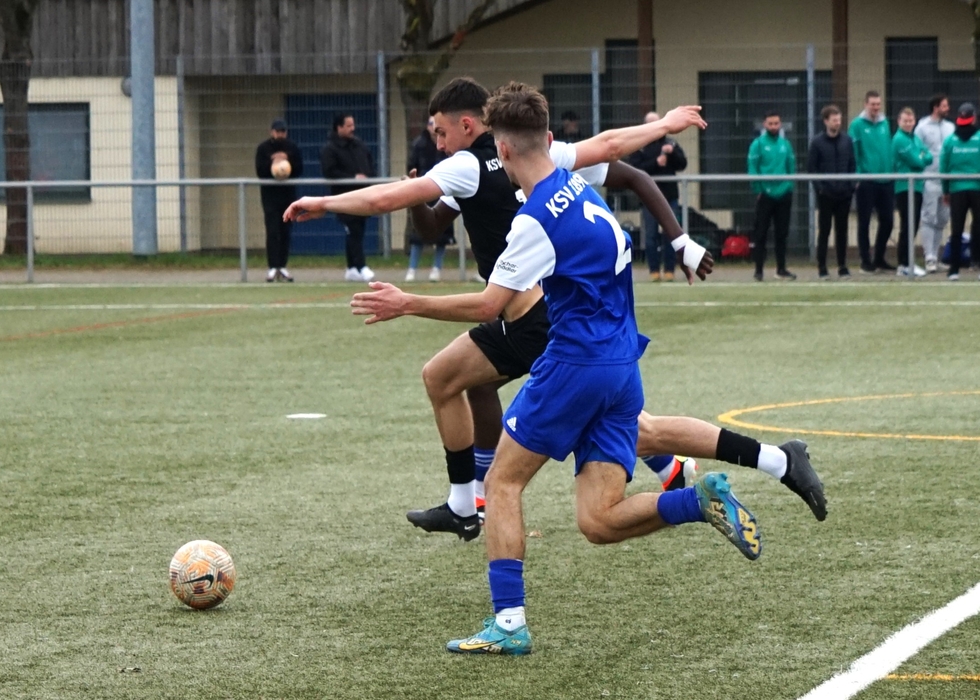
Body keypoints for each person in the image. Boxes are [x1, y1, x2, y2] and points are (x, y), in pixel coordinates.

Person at [284, 78, 826, 538]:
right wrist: (664, 125)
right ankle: (465, 503)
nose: (437, 142)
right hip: (535, 314)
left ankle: (752, 462)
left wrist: (324, 202)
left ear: (473, 128)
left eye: (440, 131)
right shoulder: (544, 158)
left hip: (538, 316)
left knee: (630, 432)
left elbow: (385, 200)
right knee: (448, 376)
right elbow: (611, 144)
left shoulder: (466, 166)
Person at [351, 83, 766, 655]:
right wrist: (666, 140)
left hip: (574, 363)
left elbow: (489, 305)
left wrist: (407, 302)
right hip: (621, 363)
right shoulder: (578, 185)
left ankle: (509, 622)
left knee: (502, 483)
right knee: (598, 521)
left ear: (502, 145)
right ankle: (698, 498)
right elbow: (617, 151)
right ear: (547, 137)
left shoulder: (533, 218)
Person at [629, 111, 687, 281]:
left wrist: (673, 153)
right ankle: (654, 271)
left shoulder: (670, 143)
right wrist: (656, 163)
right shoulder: (639, 146)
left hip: (669, 196)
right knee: (651, 236)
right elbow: (635, 169)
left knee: (671, 234)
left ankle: (670, 270)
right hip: (648, 197)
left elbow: (682, 164)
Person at [321, 112, 375, 282]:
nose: (353, 128)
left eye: (353, 125)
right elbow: (329, 171)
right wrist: (352, 177)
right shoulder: (330, 149)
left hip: (362, 195)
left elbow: (369, 164)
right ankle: (361, 266)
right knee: (353, 230)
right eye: (348, 125)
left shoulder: (359, 145)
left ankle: (352, 268)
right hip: (343, 196)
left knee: (358, 230)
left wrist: (367, 176)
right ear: (339, 128)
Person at [747, 110, 796, 281]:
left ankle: (781, 269)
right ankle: (759, 271)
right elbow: (753, 168)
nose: (774, 126)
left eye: (776, 123)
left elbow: (791, 167)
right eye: (771, 124)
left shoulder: (785, 144)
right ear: (765, 124)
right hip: (765, 195)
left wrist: (789, 186)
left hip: (784, 194)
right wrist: (758, 190)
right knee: (761, 233)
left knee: (782, 234)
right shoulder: (757, 144)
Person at [808, 104, 856, 279]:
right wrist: (820, 189)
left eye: (839, 120)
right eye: (834, 120)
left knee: (842, 231)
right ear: (826, 121)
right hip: (826, 195)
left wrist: (851, 186)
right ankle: (822, 267)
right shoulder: (817, 143)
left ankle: (842, 266)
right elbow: (812, 169)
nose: (837, 123)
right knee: (825, 230)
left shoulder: (847, 141)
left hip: (844, 194)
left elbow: (852, 164)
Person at [850, 91, 895, 273]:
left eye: (878, 104)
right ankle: (865, 260)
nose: (876, 107)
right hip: (867, 181)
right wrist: (858, 175)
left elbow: (888, 148)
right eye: (872, 104)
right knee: (864, 222)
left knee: (888, 221)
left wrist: (890, 171)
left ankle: (879, 258)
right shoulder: (857, 125)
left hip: (886, 180)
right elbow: (854, 152)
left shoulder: (885, 123)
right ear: (865, 104)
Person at [405, 116, 454, 282]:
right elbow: (412, 165)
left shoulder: (449, 143)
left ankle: (436, 268)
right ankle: (412, 269)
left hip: (443, 192)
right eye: (431, 124)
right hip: (423, 191)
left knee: (443, 233)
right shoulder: (419, 144)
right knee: (417, 234)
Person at [255, 119, 304, 282]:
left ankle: (282, 266)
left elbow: (299, 169)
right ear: (272, 132)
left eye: (283, 131)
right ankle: (272, 267)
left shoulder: (292, 147)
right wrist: (273, 162)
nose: (280, 134)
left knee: (285, 231)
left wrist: (287, 158)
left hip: (288, 196)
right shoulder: (263, 148)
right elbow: (260, 171)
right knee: (272, 231)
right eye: (278, 131)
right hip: (270, 196)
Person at [940, 102, 980, 281]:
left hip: (956, 190)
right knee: (978, 227)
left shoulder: (950, 140)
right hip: (977, 189)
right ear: (974, 118)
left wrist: (945, 190)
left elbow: (944, 167)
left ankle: (954, 270)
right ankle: (977, 264)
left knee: (956, 229)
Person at [915, 94, 955, 273]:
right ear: (936, 107)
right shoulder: (922, 127)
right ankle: (929, 256)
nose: (947, 109)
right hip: (929, 179)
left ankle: (936, 256)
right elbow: (918, 149)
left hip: (946, 181)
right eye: (944, 106)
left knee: (942, 219)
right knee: (929, 218)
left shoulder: (950, 127)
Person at [892, 107, 932, 277]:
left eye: (911, 121)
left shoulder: (915, 138)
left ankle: (907, 262)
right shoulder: (899, 139)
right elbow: (918, 162)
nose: (908, 124)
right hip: (904, 188)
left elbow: (929, 157)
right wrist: (921, 156)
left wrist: (922, 156)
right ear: (899, 122)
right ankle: (904, 264)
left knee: (913, 225)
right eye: (905, 121)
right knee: (908, 225)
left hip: (917, 187)